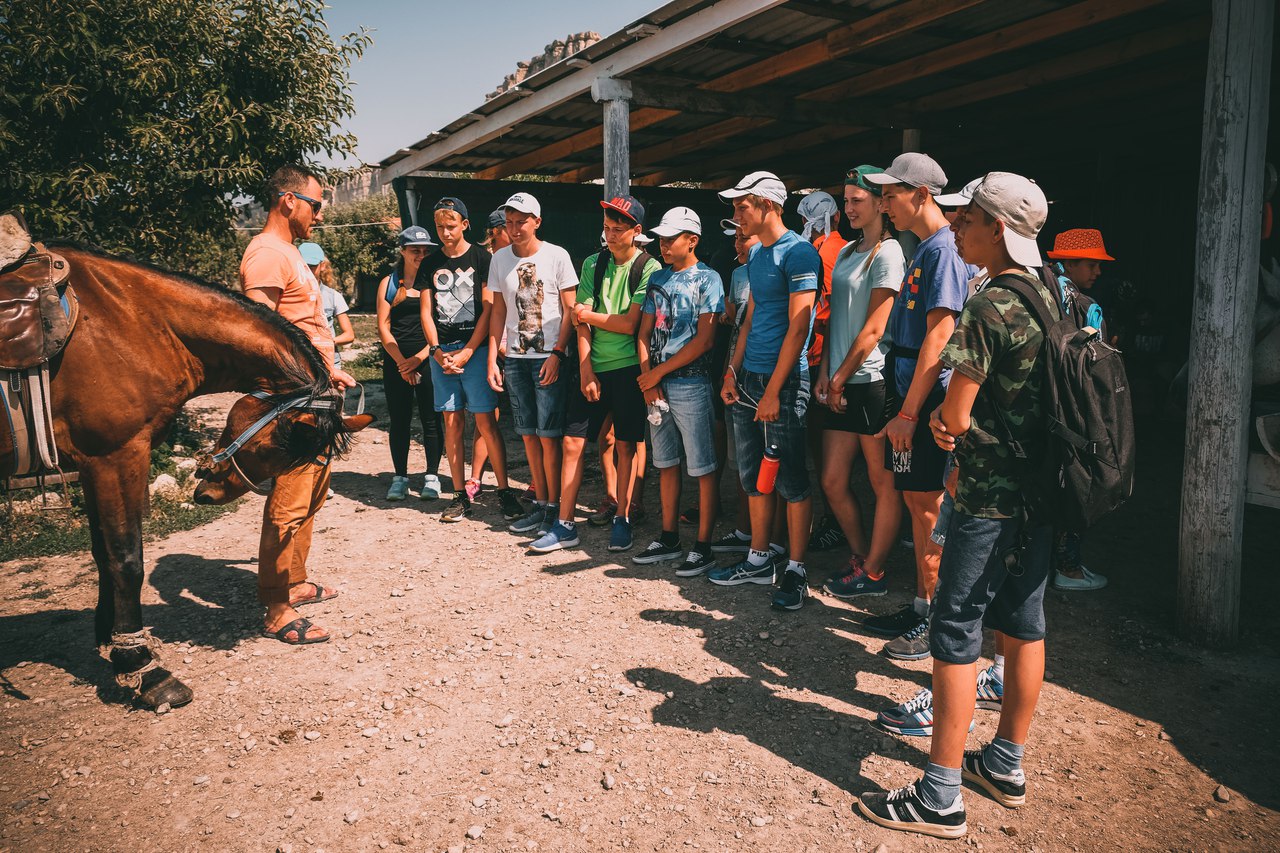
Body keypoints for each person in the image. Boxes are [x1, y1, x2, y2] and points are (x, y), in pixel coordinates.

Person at [857, 172, 1055, 840]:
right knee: (1024, 621)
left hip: (988, 496)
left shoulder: (993, 300)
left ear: (996, 228)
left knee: (956, 627)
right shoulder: (1051, 288)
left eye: (968, 218)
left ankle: (940, 793)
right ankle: (1005, 762)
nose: (958, 226)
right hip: (1041, 494)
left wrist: (942, 422)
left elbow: (959, 410)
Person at [861, 154, 975, 659]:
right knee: (914, 501)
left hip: (925, 399)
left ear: (922, 195)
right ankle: (922, 604)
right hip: (910, 391)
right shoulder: (925, 248)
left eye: (891, 193)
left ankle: (936, 622)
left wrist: (909, 413)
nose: (883, 203)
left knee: (929, 507)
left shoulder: (944, 251)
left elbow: (941, 335)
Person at [239, 165, 356, 645]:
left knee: (310, 497)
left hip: (317, 395)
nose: (320, 213)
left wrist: (329, 371)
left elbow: (304, 328)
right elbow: (258, 339)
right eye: (316, 203)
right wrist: (302, 386)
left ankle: (296, 581)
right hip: (293, 403)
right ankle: (276, 607)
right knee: (287, 506)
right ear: (288, 201)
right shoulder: (266, 254)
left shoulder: (288, 253)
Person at [714, 171, 822, 611]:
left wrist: (776, 389)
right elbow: (750, 319)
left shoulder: (799, 254)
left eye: (743, 207)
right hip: (748, 380)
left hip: (785, 380)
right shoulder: (756, 255)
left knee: (792, 479)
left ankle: (795, 569)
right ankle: (759, 558)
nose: (737, 215)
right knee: (752, 474)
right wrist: (731, 372)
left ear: (768, 206)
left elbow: (800, 327)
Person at [529, 194, 659, 553]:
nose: (611, 235)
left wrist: (587, 316)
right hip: (594, 367)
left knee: (626, 445)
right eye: (606, 228)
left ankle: (624, 517)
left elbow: (631, 324)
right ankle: (565, 524)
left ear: (636, 231)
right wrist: (586, 367)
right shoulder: (592, 264)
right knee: (572, 441)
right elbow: (579, 322)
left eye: (618, 229)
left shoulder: (649, 268)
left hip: (630, 370)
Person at [817, 167, 905, 599]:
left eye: (857, 200)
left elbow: (874, 328)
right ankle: (861, 554)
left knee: (881, 482)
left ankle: (874, 572)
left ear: (880, 203)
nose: (848, 207)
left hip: (869, 381)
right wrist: (824, 375)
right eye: (845, 200)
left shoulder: (888, 253)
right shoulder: (850, 251)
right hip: (838, 379)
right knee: (832, 480)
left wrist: (838, 377)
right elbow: (836, 318)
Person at [419, 197, 524, 523]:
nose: (445, 233)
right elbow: (426, 309)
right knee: (451, 424)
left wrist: (469, 350)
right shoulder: (430, 262)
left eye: (451, 226)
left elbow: (489, 309)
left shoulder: (481, 258)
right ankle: (459, 494)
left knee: (485, 422)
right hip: (442, 355)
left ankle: (505, 490)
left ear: (464, 224)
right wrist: (436, 351)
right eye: (440, 227)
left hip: (475, 352)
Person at [634, 207, 725, 573]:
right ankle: (669, 537)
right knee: (666, 463)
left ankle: (703, 545)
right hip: (656, 385)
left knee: (702, 466)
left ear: (693, 240)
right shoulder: (658, 280)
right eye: (661, 238)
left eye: (671, 238)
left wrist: (655, 375)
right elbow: (641, 334)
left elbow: (704, 341)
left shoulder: (709, 279)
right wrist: (647, 378)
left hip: (691, 384)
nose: (664, 244)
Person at [487, 192, 578, 536]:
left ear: (536, 222)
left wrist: (558, 353)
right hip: (514, 358)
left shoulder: (557, 256)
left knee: (549, 436)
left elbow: (570, 310)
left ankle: (555, 508)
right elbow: (498, 309)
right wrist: (494, 356)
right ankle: (541, 504)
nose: (514, 228)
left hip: (547, 358)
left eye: (521, 221)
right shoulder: (499, 259)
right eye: (509, 222)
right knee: (527, 434)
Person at [1045, 228, 1114, 592]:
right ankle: (1068, 568)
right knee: (1078, 484)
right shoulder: (1085, 305)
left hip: (1043, 409)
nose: (1098, 272)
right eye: (1092, 264)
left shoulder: (1040, 290)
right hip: (1075, 413)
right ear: (1068, 262)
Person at [795, 191, 848, 553]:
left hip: (818, 358)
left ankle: (833, 522)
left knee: (822, 449)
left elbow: (822, 311)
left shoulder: (813, 252)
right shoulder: (845, 249)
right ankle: (833, 520)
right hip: (833, 355)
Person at [376, 226, 445, 502]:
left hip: (428, 360)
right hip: (396, 362)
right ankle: (400, 477)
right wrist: (402, 363)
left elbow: (441, 325)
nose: (421, 254)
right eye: (415, 250)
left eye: (425, 250)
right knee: (399, 420)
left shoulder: (436, 282)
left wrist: (418, 358)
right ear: (402, 251)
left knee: (431, 419)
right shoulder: (389, 283)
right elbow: (383, 327)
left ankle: (432, 476)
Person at [710, 221, 758, 555]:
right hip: (734, 372)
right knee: (741, 459)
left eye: (745, 237)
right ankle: (745, 530)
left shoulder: (778, 268)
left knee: (770, 460)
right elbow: (733, 318)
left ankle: (773, 540)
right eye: (736, 238)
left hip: (764, 373)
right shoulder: (738, 274)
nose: (737, 244)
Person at [299, 242, 355, 371]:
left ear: (322, 266)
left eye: (312, 267)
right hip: (300, 363)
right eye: (304, 267)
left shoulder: (333, 296)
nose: (308, 272)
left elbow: (349, 335)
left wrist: (324, 342)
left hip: (329, 363)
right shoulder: (289, 297)